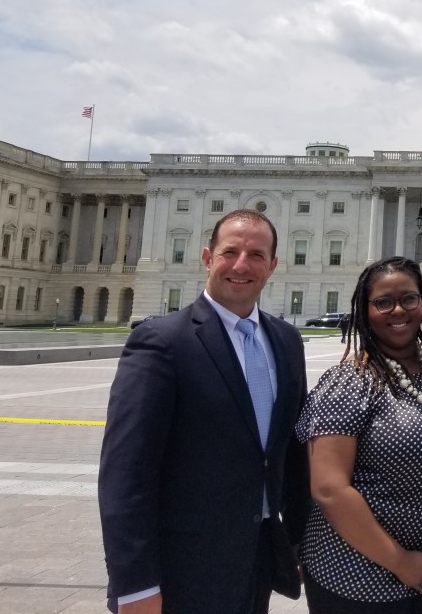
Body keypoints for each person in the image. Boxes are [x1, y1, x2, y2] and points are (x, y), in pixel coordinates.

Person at [99, 209, 309, 614]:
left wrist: (300, 541)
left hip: (258, 559)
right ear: (208, 257)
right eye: (230, 252)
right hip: (182, 567)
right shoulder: (162, 341)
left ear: (273, 266)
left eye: (256, 255)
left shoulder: (285, 341)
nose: (241, 266)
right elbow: (126, 473)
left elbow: (292, 454)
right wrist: (135, 586)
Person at [296, 257, 422, 613]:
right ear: (365, 312)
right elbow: (329, 488)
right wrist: (398, 560)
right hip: (354, 579)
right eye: (383, 302)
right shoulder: (349, 382)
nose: (398, 310)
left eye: (409, 299)